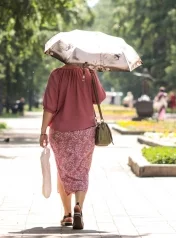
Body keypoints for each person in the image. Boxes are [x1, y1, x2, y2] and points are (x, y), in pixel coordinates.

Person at [39, 64, 106, 230]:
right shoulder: (89, 73)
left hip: (60, 131)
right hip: (86, 130)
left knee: (63, 170)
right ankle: (79, 208)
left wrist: (43, 131)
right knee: (82, 171)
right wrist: (93, 75)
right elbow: (99, 97)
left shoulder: (56, 75)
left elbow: (49, 107)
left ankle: (67, 214)